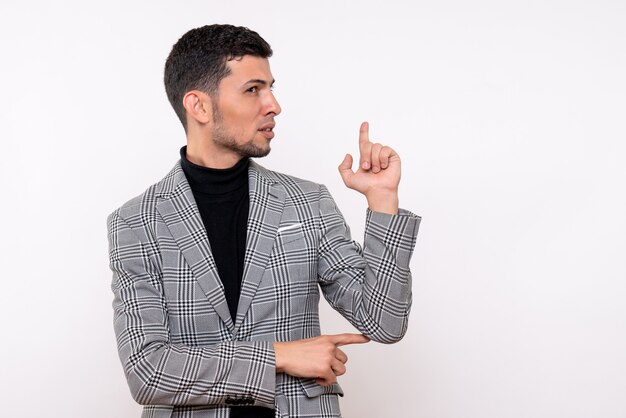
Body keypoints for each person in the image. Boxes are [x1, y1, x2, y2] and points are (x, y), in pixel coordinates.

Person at [107, 24, 421, 418]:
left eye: (271, 87)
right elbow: (148, 373)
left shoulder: (309, 202)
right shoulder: (136, 222)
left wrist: (383, 201)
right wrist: (279, 356)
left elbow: (385, 321)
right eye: (253, 89)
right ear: (199, 106)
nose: (273, 104)